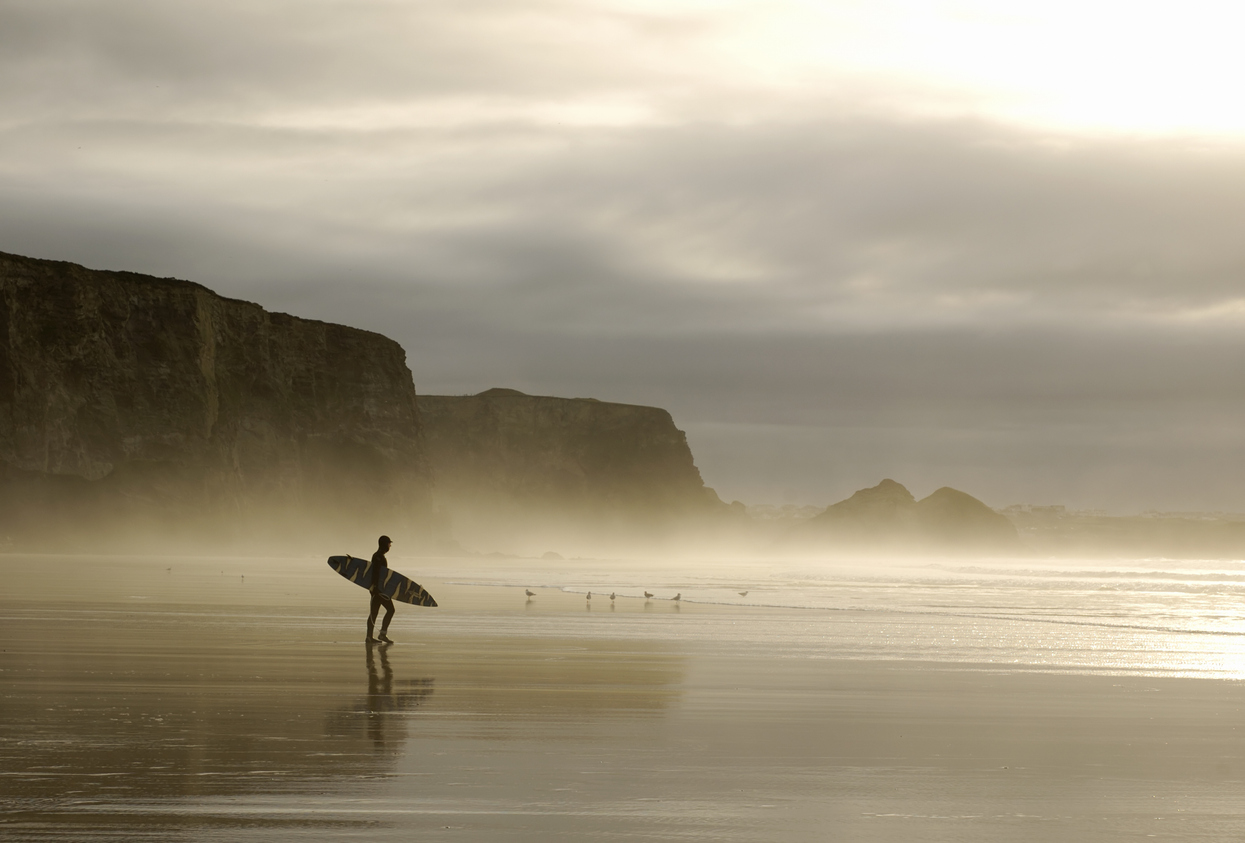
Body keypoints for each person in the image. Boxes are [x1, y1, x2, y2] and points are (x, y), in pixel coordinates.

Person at [367, 535, 396, 644]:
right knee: (390, 610)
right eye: (389, 544)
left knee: (374, 613)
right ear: (385, 544)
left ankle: (370, 637)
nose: (390, 546)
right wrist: (375, 588)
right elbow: (376, 573)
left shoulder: (378, 556)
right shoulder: (378, 557)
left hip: (378, 589)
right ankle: (381, 634)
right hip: (379, 590)